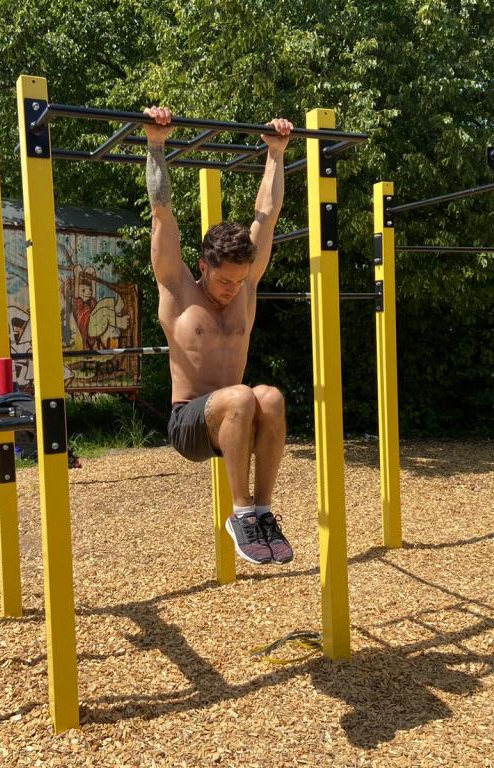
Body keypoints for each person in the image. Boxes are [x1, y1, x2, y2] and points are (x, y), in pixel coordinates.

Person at [143, 105, 295, 566]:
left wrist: (276, 153)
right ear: (203, 266)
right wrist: (154, 144)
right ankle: (241, 513)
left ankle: (263, 512)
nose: (233, 289)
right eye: (224, 280)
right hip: (188, 422)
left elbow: (266, 216)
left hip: (236, 418)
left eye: (240, 280)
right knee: (242, 396)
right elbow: (161, 209)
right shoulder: (178, 288)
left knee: (268, 396)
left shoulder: (245, 285)